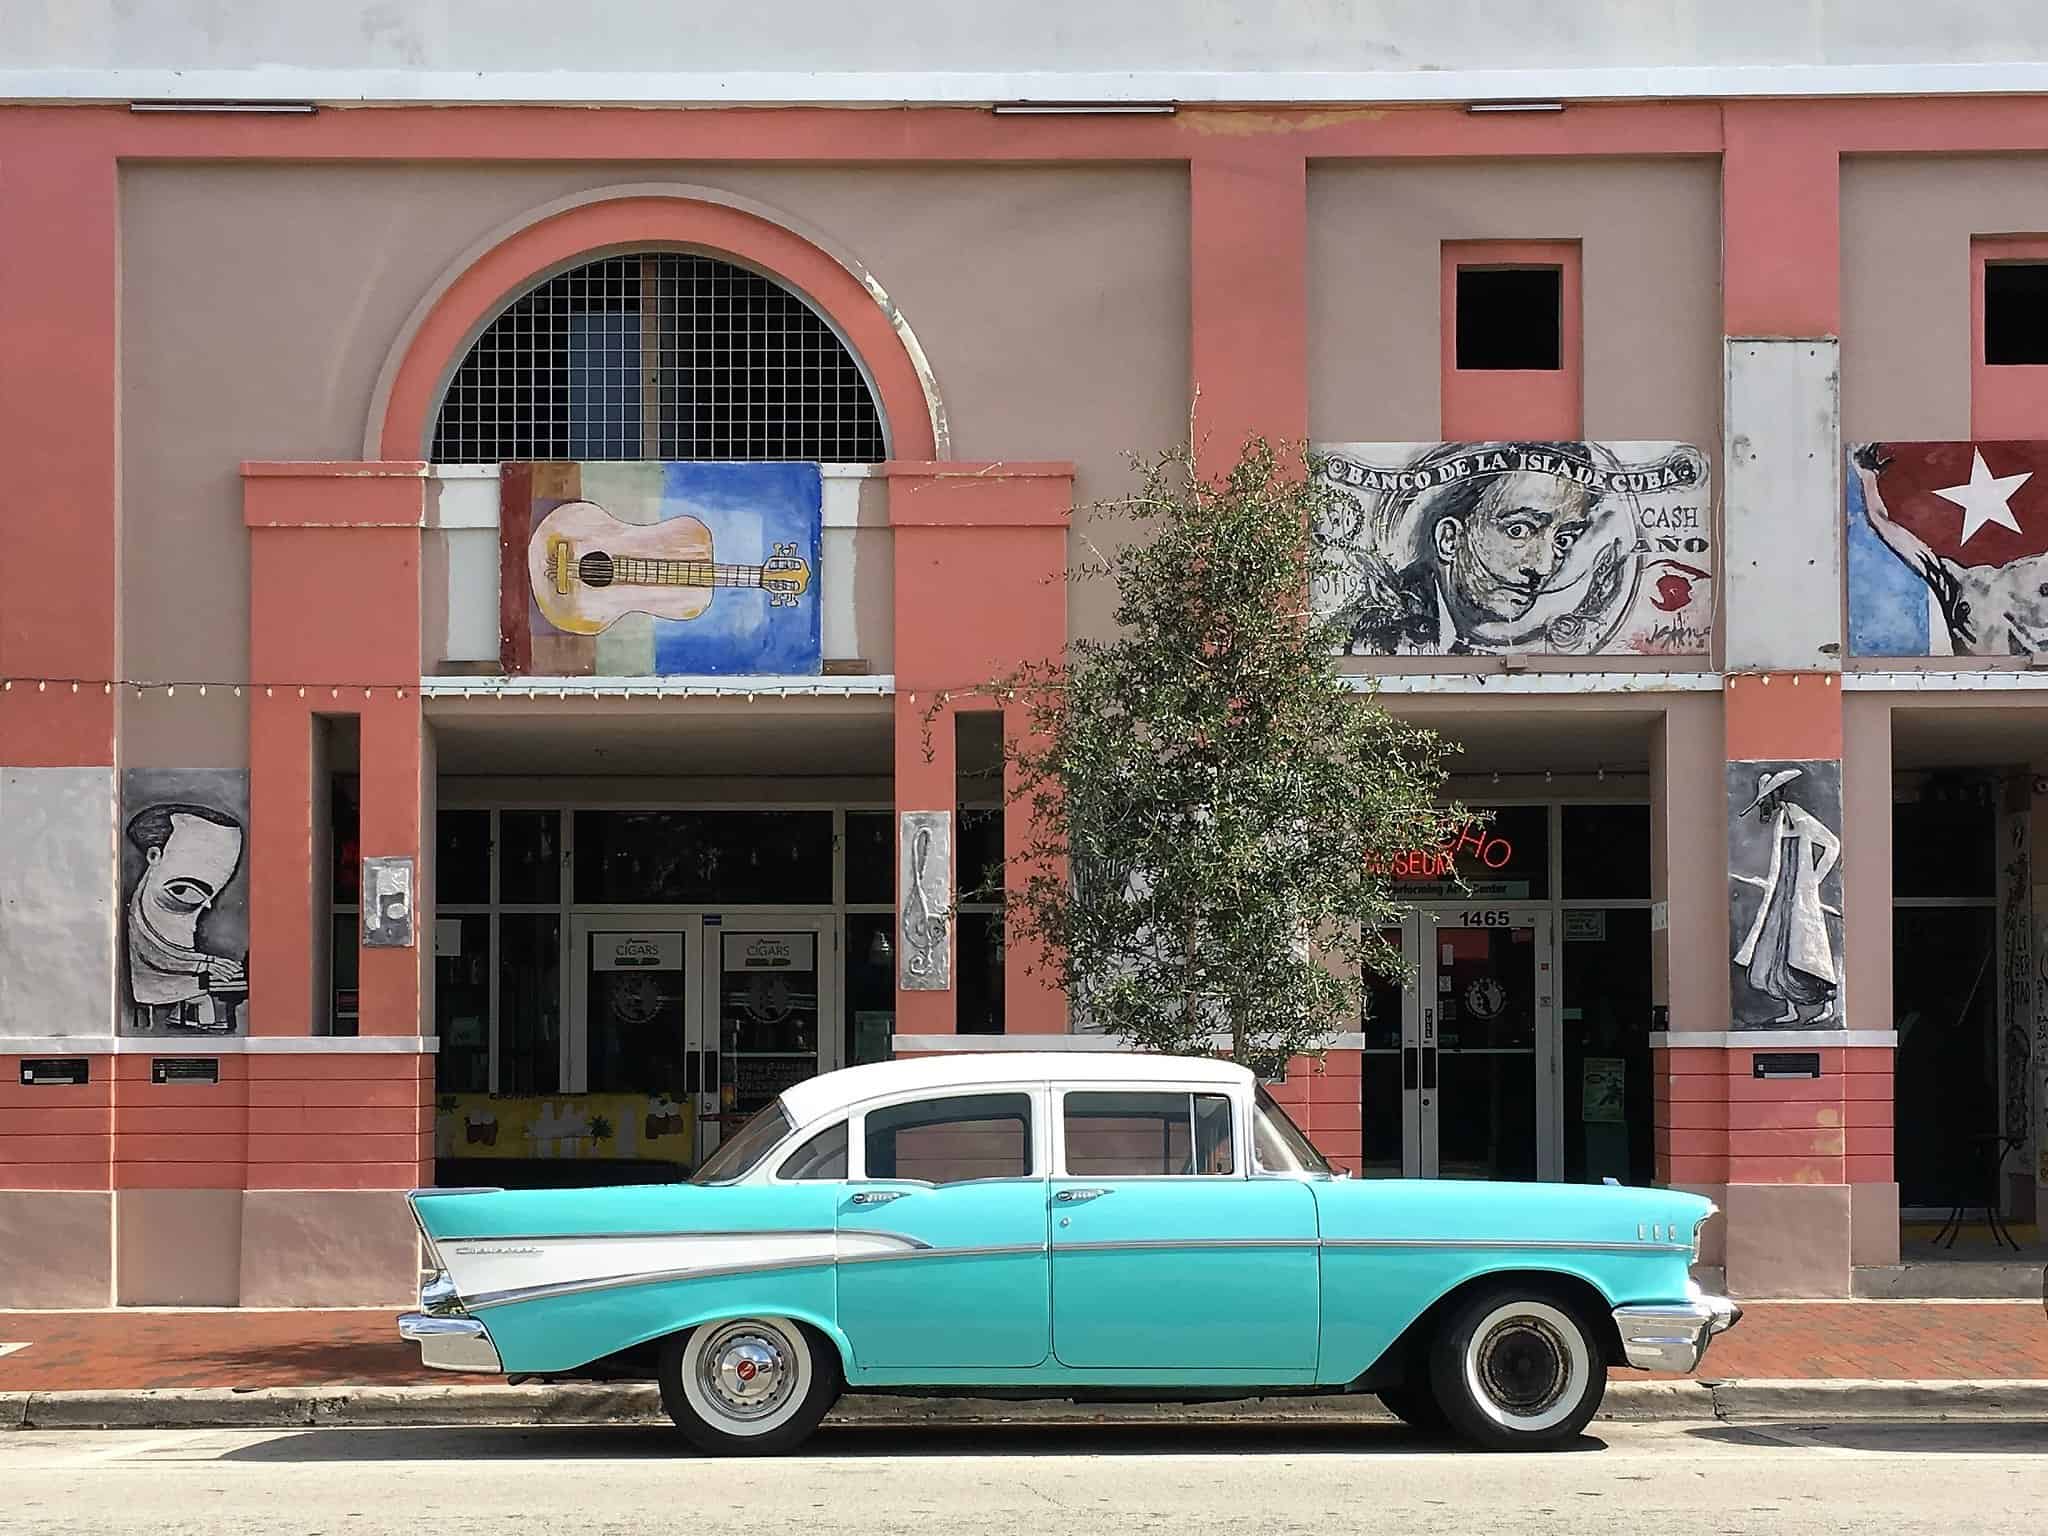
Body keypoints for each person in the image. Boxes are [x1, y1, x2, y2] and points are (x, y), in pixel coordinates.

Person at [1333, 456, 1599, 654]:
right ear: (1450, 539)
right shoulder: (1374, 634)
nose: (1542, 566)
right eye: (1518, 530)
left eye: (1563, 540)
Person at [1851, 442, 2048, 655]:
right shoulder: (1960, 582)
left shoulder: (2033, 575)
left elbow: (1886, 527)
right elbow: (1887, 527)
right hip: (1966, 681)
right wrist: (1868, 478)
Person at [124, 802, 247, 1033]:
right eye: (183, 890)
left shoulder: (187, 909)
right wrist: (206, 963)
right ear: (154, 856)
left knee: (202, 1003)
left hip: (186, 980)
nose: (205, 904)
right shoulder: (143, 915)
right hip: (155, 984)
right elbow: (155, 952)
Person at [1732, 768, 1842, 1025]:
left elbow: (1832, 845)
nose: (1764, 805)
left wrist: (1813, 880)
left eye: (1765, 800)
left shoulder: (1800, 818)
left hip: (1800, 893)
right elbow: (1777, 862)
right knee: (1777, 948)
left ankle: (1827, 1005)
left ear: (1775, 796)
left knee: (1809, 947)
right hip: (1782, 891)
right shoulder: (1780, 820)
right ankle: (1791, 1008)